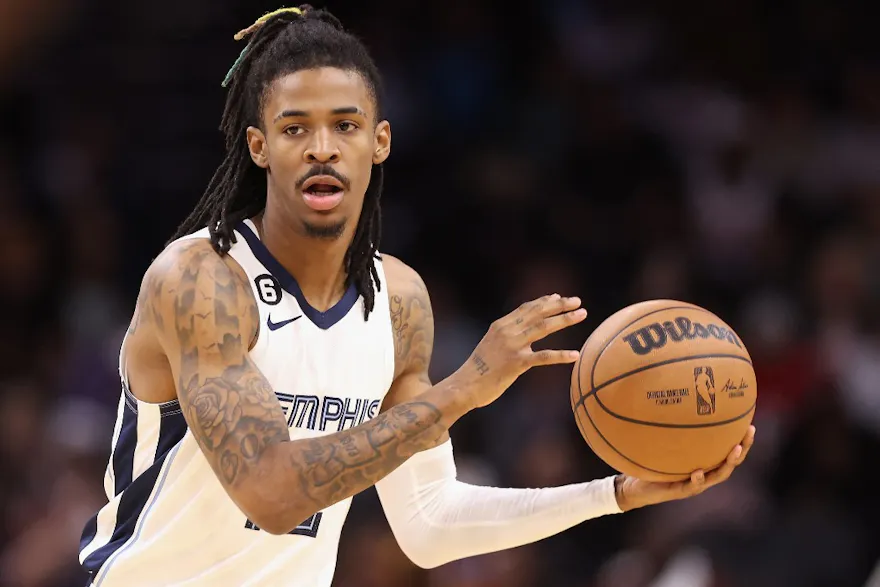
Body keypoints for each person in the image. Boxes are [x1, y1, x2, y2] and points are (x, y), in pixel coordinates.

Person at [77, 6, 756, 586]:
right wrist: (462, 390)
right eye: (294, 128)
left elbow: (427, 522)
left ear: (380, 142)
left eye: (345, 125)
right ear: (258, 147)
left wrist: (615, 493)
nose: (322, 148)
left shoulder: (398, 299)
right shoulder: (201, 279)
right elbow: (273, 491)